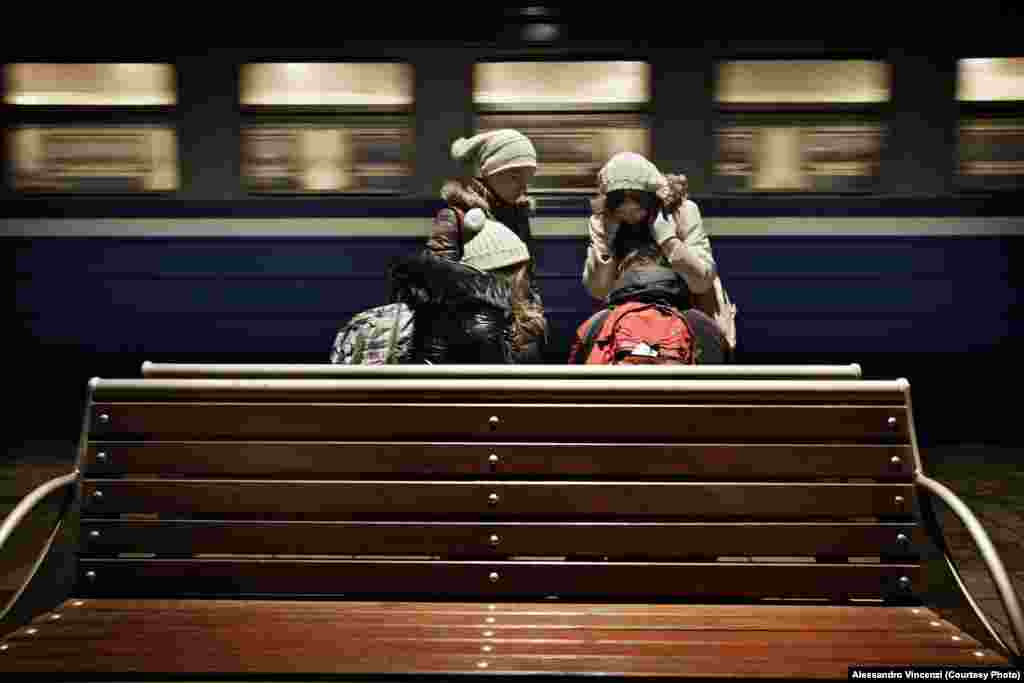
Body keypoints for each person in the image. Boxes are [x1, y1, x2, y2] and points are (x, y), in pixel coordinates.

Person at [580, 152, 737, 357]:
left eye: (636, 205)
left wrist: (668, 240)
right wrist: (606, 244)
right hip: (625, 312)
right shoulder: (602, 220)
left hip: (685, 306)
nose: (629, 213)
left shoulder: (682, 212)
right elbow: (598, 290)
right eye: (621, 206)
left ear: (651, 198)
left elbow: (702, 282)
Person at [387, 207, 547, 364]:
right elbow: (499, 375)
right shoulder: (482, 317)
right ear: (511, 272)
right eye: (522, 270)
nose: (526, 279)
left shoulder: (461, 303)